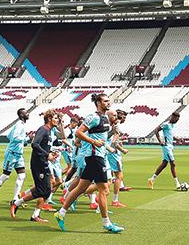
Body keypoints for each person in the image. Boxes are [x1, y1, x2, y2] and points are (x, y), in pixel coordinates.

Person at [54, 94, 124, 233]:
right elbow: (79, 133)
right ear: (98, 103)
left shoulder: (104, 118)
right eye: (105, 101)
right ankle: (107, 223)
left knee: (80, 188)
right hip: (94, 157)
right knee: (104, 190)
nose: (108, 102)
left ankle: (60, 213)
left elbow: (101, 137)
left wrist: (111, 134)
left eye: (109, 100)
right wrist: (93, 142)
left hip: (97, 156)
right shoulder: (93, 117)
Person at [9, 109, 59, 223]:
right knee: (44, 191)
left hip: (43, 162)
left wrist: (51, 152)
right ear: (49, 119)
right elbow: (34, 144)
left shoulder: (49, 131)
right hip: (38, 164)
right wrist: (47, 155)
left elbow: (43, 146)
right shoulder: (43, 129)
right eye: (55, 118)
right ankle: (17, 204)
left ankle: (33, 214)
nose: (58, 120)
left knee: (45, 190)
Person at [0, 108, 29, 207]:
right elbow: (14, 137)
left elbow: (9, 136)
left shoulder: (20, 125)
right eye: (26, 112)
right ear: (21, 115)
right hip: (12, 154)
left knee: (22, 175)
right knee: (6, 175)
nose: (28, 113)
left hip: (18, 154)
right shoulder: (19, 124)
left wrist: (24, 142)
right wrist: (26, 138)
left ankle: (15, 199)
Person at [148, 112, 182, 190]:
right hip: (166, 146)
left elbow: (170, 135)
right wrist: (160, 141)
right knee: (173, 163)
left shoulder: (172, 125)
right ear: (173, 117)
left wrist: (178, 139)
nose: (177, 121)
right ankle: (177, 184)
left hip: (170, 146)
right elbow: (156, 130)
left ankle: (151, 179)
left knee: (164, 164)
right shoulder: (166, 124)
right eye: (176, 119)